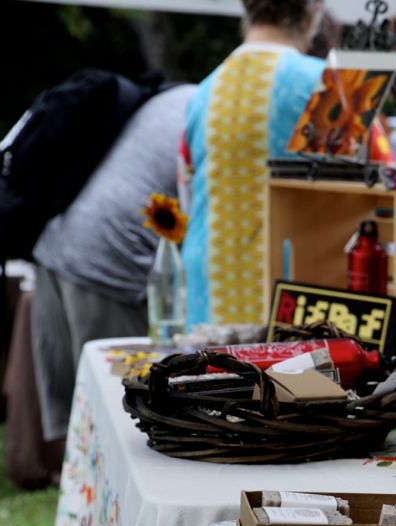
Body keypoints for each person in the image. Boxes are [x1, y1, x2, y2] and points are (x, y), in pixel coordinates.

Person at [31, 84, 196, 443]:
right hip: (109, 259)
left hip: (57, 238)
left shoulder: (172, 97)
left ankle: (68, 473)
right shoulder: (210, 112)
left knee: (76, 410)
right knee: (115, 413)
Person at [181, 0, 325, 328]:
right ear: (313, 13)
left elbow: (186, 183)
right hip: (295, 284)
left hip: (211, 284)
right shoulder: (325, 84)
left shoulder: (204, 91)